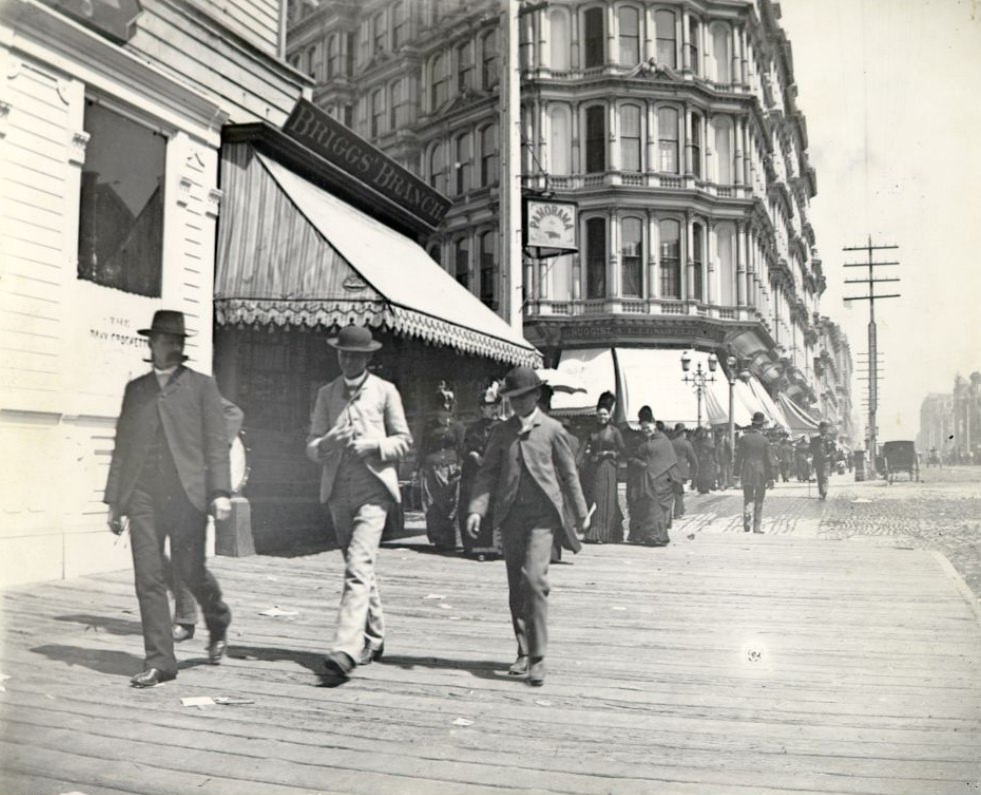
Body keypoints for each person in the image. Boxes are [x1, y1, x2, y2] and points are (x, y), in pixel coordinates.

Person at [104, 310, 233, 688]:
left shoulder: (201, 387)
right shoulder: (137, 390)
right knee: (148, 576)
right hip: (143, 495)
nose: (173, 346)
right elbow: (122, 449)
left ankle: (218, 617)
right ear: (152, 344)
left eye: (178, 340)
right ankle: (160, 661)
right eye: (165, 339)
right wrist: (115, 501)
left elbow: (216, 444)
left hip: (187, 495)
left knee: (188, 571)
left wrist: (220, 492)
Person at [465, 366, 589, 687]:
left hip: (543, 518)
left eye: (524, 397)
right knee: (516, 585)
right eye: (513, 398)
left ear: (536, 395)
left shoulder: (552, 430)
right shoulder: (502, 432)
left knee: (534, 580)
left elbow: (569, 474)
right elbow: (487, 473)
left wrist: (579, 510)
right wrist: (478, 508)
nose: (518, 404)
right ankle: (522, 649)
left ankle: (538, 657)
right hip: (510, 518)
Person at [305, 324, 412, 683]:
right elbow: (312, 446)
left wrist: (375, 446)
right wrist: (328, 442)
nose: (347, 359)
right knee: (358, 566)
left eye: (354, 355)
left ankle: (345, 649)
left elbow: (404, 441)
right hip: (338, 491)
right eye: (342, 353)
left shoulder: (385, 392)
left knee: (357, 566)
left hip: (373, 491)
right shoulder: (326, 394)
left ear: (367, 358)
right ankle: (375, 636)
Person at [459, 382, 503, 560]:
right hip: (474, 472)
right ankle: (474, 548)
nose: (494, 410)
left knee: (492, 509)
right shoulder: (473, 428)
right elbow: (465, 448)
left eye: (496, 406)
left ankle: (492, 549)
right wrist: (474, 455)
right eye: (490, 407)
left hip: (494, 473)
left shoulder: (502, 427)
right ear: (482, 408)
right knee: (473, 506)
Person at [419, 381, 466, 550]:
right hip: (431, 470)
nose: (445, 411)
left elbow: (462, 449)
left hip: (451, 470)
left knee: (451, 504)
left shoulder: (458, 427)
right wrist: (418, 468)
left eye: (448, 408)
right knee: (433, 505)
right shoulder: (429, 427)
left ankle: (452, 539)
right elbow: (423, 448)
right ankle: (438, 539)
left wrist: (460, 466)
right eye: (442, 408)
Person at [628, 407, 679, 546]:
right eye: (643, 428)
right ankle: (644, 536)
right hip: (645, 480)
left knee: (655, 509)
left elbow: (668, 460)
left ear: (654, 424)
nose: (646, 430)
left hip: (661, 481)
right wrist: (639, 463)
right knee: (645, 508)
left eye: (648, 427)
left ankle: (656, 536)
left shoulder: (663, 440)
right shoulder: (643, 441)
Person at [578, 391, 624, 544]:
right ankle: (595, 532)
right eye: (600, 414)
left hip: (609, 468)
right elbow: (583, 446)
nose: (602, 417)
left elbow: (622, 451)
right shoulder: (591, 431)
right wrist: (585, 457)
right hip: (594, 468)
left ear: (610, 415)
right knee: (596, 497)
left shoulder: (615, 432)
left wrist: (609, 453)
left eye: (605, 414)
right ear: (596, 414)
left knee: (608, 499)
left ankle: (608, 534)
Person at [734, 411, 776, 533]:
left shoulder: (743, 439)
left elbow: (738, 457)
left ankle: (747, 513)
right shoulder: (764, 440)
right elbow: (769, 460)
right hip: (760, 471)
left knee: (748, 497)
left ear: (752, 424)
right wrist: (771, 477)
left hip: (746, 470)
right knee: (759, 499)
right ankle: (756, 527)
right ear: (762, 426)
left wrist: (736, 473)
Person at [669, 423, 698, 518]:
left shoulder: (670, 443)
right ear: (683, 433)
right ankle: (677, 512)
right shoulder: (686, 444)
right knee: (679, 493)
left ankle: (679, 510)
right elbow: (692, 459)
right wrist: (695, 470)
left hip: (670, 470)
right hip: (682, 471)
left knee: (673, 492)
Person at [809, 421, 836, 500]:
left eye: (825, 429)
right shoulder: (814, 440)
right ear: (819, 430)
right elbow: (811, 449)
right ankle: (821, 492)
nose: (824, 431)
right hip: (817, 460)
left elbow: (833, 450)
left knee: (824, 476)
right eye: (822, 429)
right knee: (819, 477)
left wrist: (829, 455)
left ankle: (824, 491)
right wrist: (810, 457)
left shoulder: (830, 439)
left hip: (826, 461)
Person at [693, 426, 716, 494]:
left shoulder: (708, 440)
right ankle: (701, 487)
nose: (701, 434)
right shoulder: (697, 441)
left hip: (707, 460)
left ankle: (707, 487)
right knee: (701, 474)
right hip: (700, 460)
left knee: (707, 474)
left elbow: (712, 449)